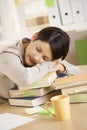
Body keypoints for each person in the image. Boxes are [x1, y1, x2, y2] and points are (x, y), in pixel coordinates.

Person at [0, 26, 83, 98]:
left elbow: (80, 74)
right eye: (38, 49)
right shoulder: (7, 56)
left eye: (45, 58)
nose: (37, 58)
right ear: (34, 37)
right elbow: (25, 79)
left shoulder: (48, 55)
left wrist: (61, 67)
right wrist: (50, 63)